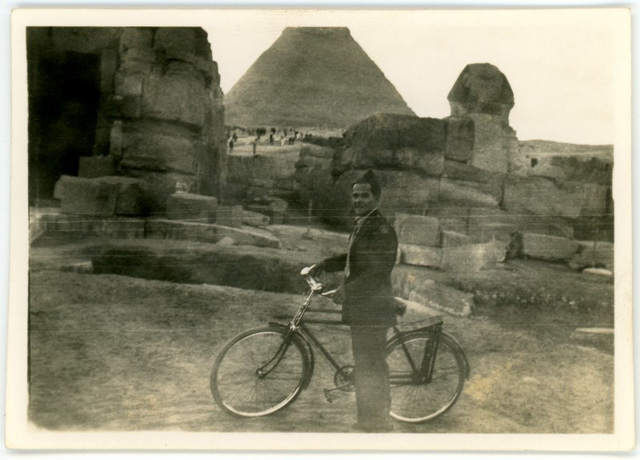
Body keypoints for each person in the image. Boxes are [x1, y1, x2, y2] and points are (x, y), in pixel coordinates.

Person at [310, 169, 398, 432]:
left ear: (377, 198)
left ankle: (378, 422)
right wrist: (324, 264)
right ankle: (368, 420)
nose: (358, 200)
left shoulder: (381, 229)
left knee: (371, 365)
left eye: (364, 196)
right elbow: (353, 259)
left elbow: (378, 270)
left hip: (374, 306)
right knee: (365, 363)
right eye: (355, 196)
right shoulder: (363, 224)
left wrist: (348, 290)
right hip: (363, 306)